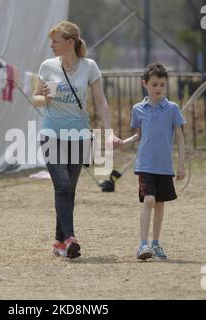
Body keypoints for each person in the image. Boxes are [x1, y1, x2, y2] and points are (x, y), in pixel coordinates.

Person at [32, 21, 122, 259]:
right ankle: (70, 238)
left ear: (69, 43)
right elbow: (36, 98)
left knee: (69, 189)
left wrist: (109, 131)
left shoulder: (89, 67)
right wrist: (45, 98)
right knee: (61, 185)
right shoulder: (47, 66)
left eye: (55, 41)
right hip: (51, 134)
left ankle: (58, 242)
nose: (51, 45)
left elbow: (100, 101)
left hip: (80, 136)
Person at [121, 63, 186, 261]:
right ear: (145, 84)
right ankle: (143, 245)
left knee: (160, 204)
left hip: (165, 166)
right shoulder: (138, 109)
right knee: (149, 200)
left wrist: (181, 164)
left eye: (162, 85)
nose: (158, 88)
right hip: (145, 165)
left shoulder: (173, 108)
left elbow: (180, 137)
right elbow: (138, 135)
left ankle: (156, 244)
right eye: (155, 84)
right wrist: (122, 142)